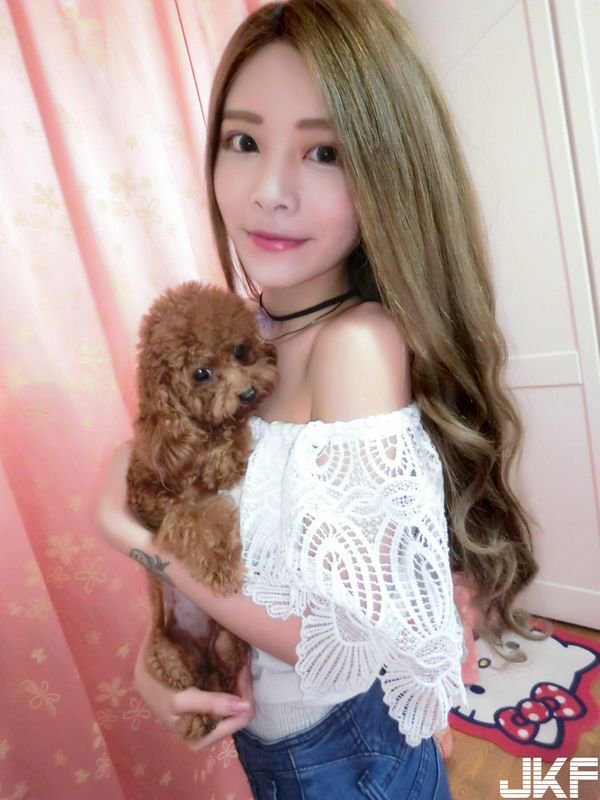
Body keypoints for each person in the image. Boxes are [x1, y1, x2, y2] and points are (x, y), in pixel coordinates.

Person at [97, 1, 539, 797]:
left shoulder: (355, 345)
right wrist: (157, 661)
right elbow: (243, 547)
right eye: (244, 141)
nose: (269, 191)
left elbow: (341, 645)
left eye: (324, 151)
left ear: (387, 171)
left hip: (346, 755)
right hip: (279, 745)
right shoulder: (249, 335)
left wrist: (131, 534)